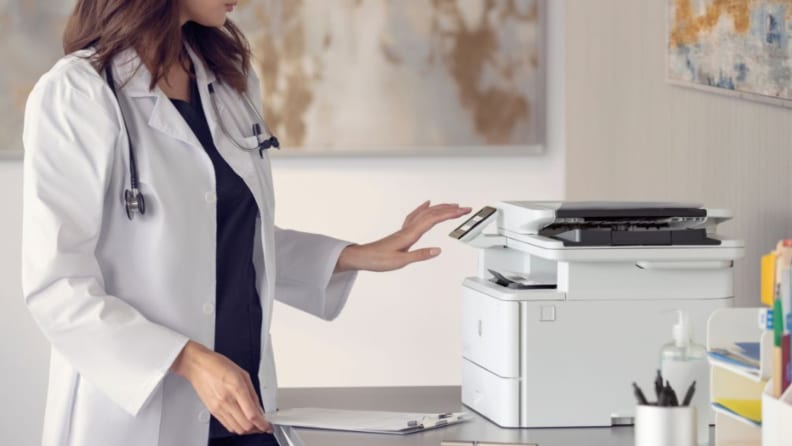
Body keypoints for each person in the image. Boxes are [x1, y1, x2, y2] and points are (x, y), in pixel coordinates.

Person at [20, 1, 472, 445]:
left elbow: (227, 237)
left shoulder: (226, 79)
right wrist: (187, 360)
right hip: (141, 407)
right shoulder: (79, 92)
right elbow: (58, 285)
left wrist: (355, 255)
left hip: (244, 406)